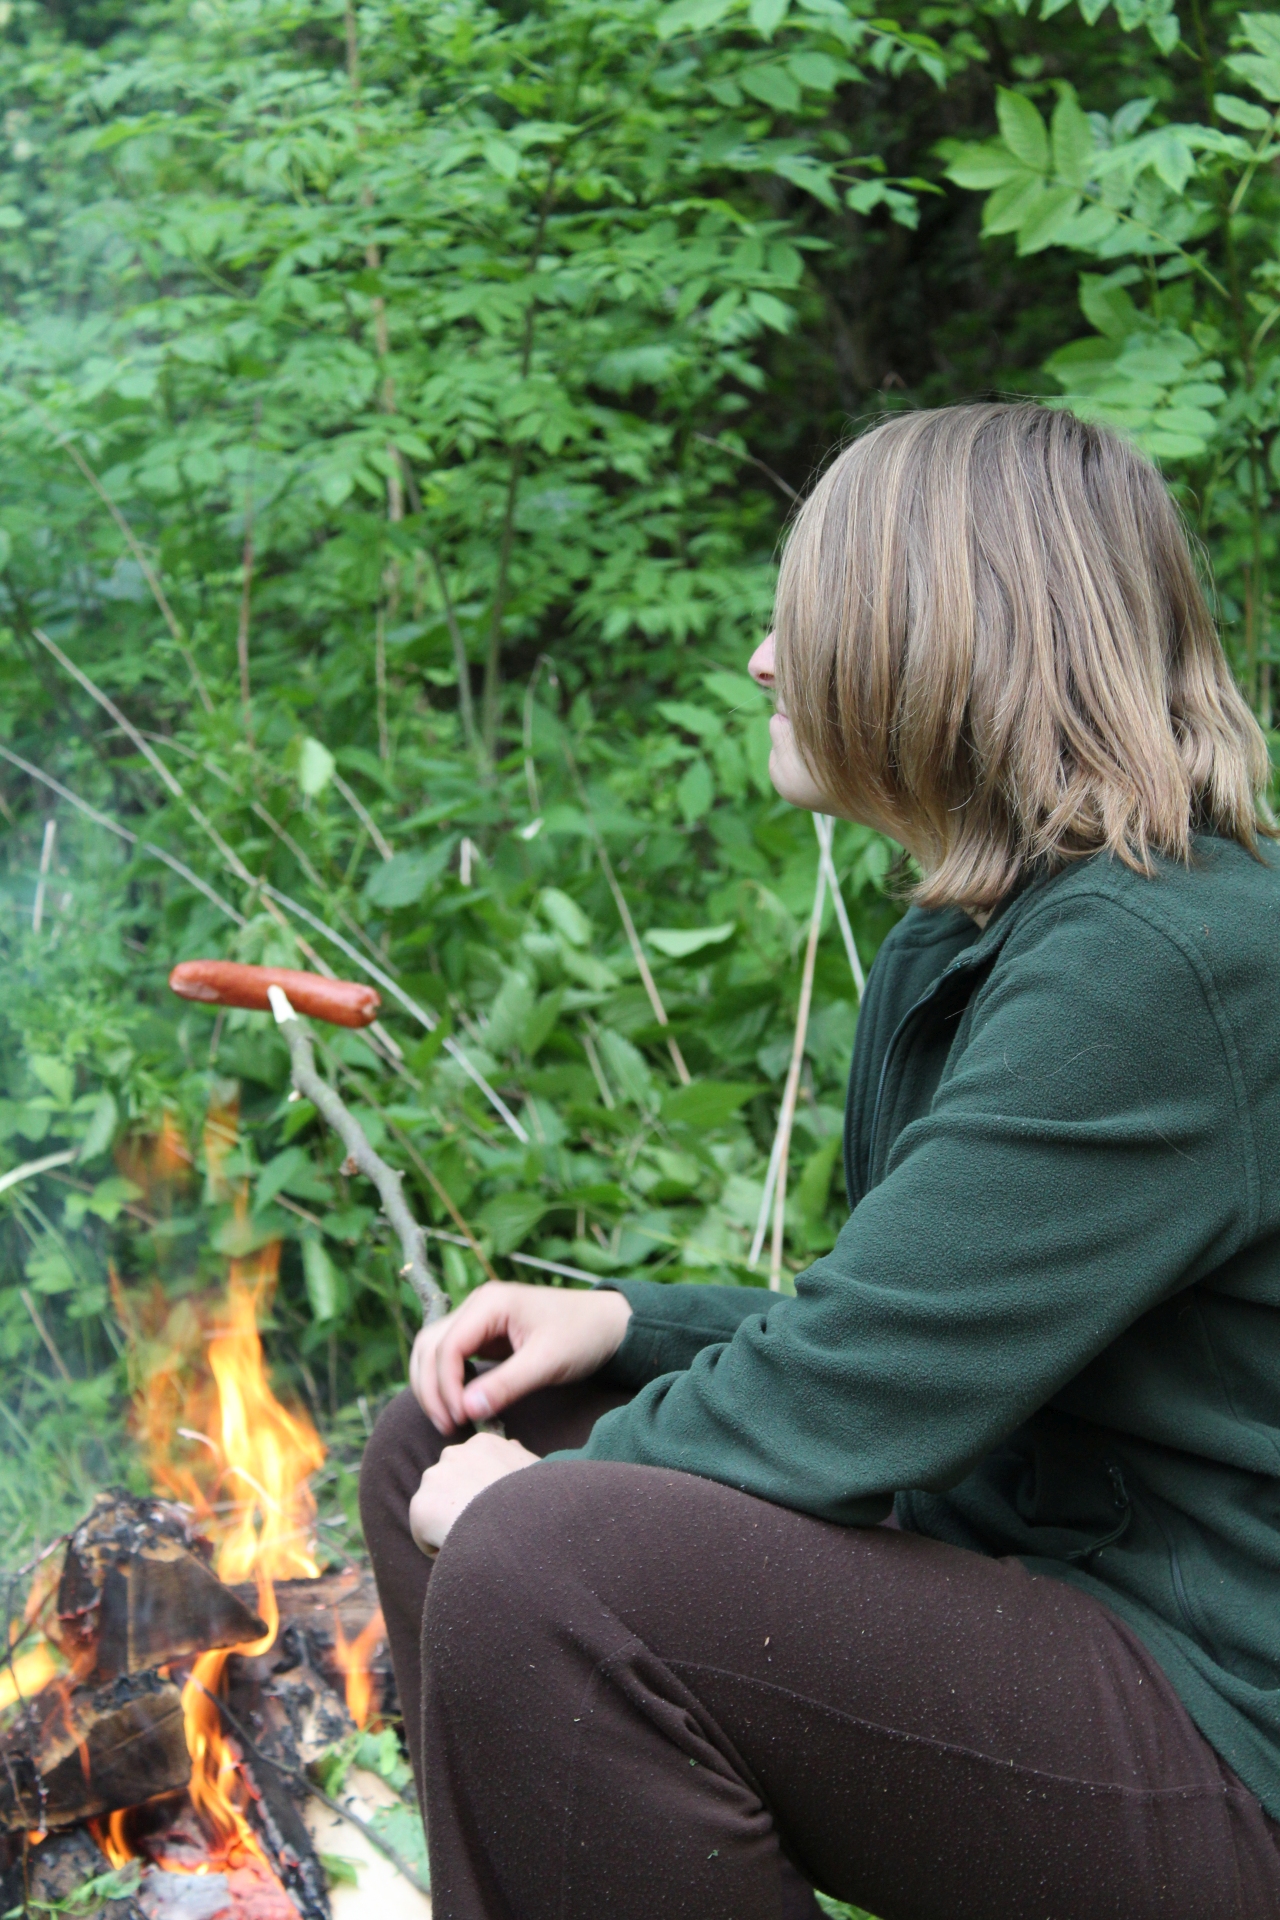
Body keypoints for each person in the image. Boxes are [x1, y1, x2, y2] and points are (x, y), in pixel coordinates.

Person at [360, 402, 1280, 1920]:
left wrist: (531, 1520)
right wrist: (631, 1326)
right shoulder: (976, 936)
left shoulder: (1162, 961)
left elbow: (855, 1401)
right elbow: (929, 1340)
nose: (762, 662)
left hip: (1226, 1727)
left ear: (941, 643)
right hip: (1057, 1591)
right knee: (449, 1432)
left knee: (540, 1558)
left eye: (808, 618)